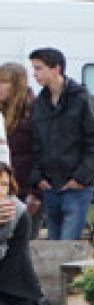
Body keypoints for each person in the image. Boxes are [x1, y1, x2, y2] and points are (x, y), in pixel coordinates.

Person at [27, 47, 94, 242]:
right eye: (34, 69)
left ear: (56, 69)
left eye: (39, 68)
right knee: (53, 244)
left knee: (68, 246)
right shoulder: (39, 104)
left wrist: (80, 178)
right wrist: (38, 178)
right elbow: (36, 144)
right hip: (50, 186)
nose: (35, 74)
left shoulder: (83, 99)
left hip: (75, 187)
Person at [0, 161, 49, 305]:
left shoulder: (19, 214)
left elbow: (16, 263)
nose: (1, 191)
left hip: (7, 294)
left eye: (4, 185)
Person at [0, 64, 38, 231]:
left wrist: (36, 192)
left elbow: (40, 152)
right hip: (5, 186)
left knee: (24, 237)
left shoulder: (33, 110)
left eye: (3, 81)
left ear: (17, 85)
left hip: (25, 185)